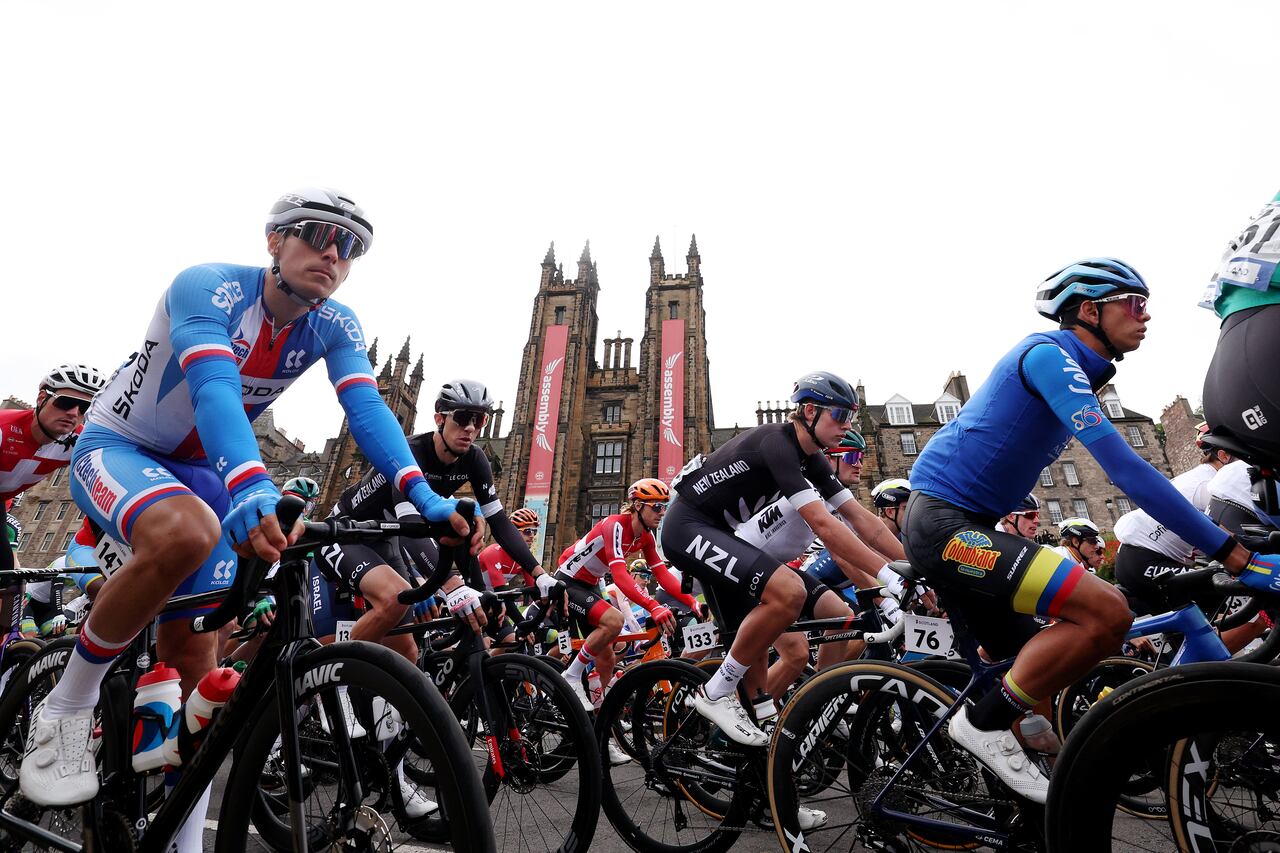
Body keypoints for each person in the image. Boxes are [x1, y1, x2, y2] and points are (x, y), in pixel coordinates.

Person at [21, 188, 470, 853]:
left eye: (347, 246)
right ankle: (63, 707)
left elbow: (369, 414)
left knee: (202, 680)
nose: (331, 254)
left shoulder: (334, 323)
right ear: (273, 241)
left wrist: (426, 498)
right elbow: (214, 391)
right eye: (317, 235)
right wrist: (252, 484)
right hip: (123, 448)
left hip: (202, 470)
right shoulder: (207, 288)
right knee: (188, 531)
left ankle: (180, 839)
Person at [901, 258, 1268, 805]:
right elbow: (1127, 470)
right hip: (944, 524)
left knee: (1038, 679)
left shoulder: (1079, 369)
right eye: (1134, 303)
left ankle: (1025, 812)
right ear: (1091, 310)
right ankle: (982, 725)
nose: (1146, 316)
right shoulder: (1050, 356)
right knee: (1106, 611)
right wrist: (1228, 549)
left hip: (967, 525)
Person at [662, 372, 906, 749]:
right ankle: (716, 692)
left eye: (852, 418)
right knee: (789, 592)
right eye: (840, 416)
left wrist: (917, 566)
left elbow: (861, 519)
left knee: (764, 712)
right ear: (809, 411)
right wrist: (890, 579)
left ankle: (771, 787)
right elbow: (825, 526)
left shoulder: (813, 460)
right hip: (687, 527)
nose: (847, 426)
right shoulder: (777, 443)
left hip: (725, 537)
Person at [316, 380, 561, 666]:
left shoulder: (474, 459)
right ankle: (323, 678)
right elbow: (411, 528)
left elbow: (500, 522)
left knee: (405, 652)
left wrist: (540, 574)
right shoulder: (410, 453)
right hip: (347, 534)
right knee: (394, 599)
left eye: (479, 419)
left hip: (387, 541)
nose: (470, 428)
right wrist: (452, 585)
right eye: (461, 417)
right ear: (440, 419)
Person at [555, 478, 700, 710]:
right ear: (638, 505)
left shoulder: (645, 537)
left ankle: (595, 723)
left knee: (607, 659)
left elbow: (663, 575)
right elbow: (621, 575)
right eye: (657, 506)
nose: (662, 513)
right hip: (567, 581)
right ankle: (571, 677)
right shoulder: (615, 525)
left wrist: (692, 602)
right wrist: (653, 606)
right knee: (614, 621)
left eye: (665, 506)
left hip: (590, 584)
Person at [1114, 422, 1233, 614]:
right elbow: (1232, 538)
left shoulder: (1202, 476)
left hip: (1140, 559)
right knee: (1224, 592)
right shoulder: (1208, 484)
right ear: (1224, 456)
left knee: (1205, 610)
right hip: (1142, 560)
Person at [478, 507, 541, 591]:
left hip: (487, 595)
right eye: (527, 531)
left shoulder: (524, 558)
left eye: (535, 531)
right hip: (466, 594)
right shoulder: (493, 552)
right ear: (513, 533)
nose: (532, 536)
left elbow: (534, 588)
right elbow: (500, 590)